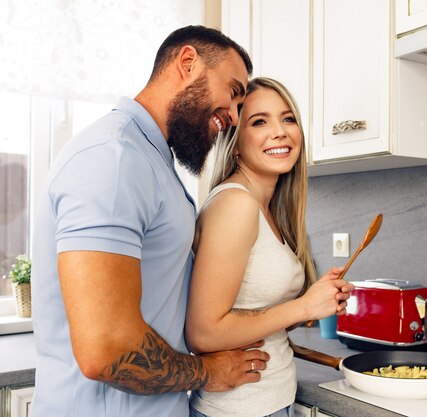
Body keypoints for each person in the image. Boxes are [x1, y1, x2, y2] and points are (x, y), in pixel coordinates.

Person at [30, 26, 270, 417]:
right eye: (232, 92)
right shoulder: (115, 158)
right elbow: (107, 351)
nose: (233, 116)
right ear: (188, 62)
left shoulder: (151, 160)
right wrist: (207, 372)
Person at [185, 77, 355, 417]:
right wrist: (304, 308)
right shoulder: (236, 205)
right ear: (234, 142)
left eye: (288, 118)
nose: (280, 131)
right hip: (238, 409)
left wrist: (317, 300)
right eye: (259, 121)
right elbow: (203, 333)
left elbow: (255, 313)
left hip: (270, 402)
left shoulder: (268, 209)